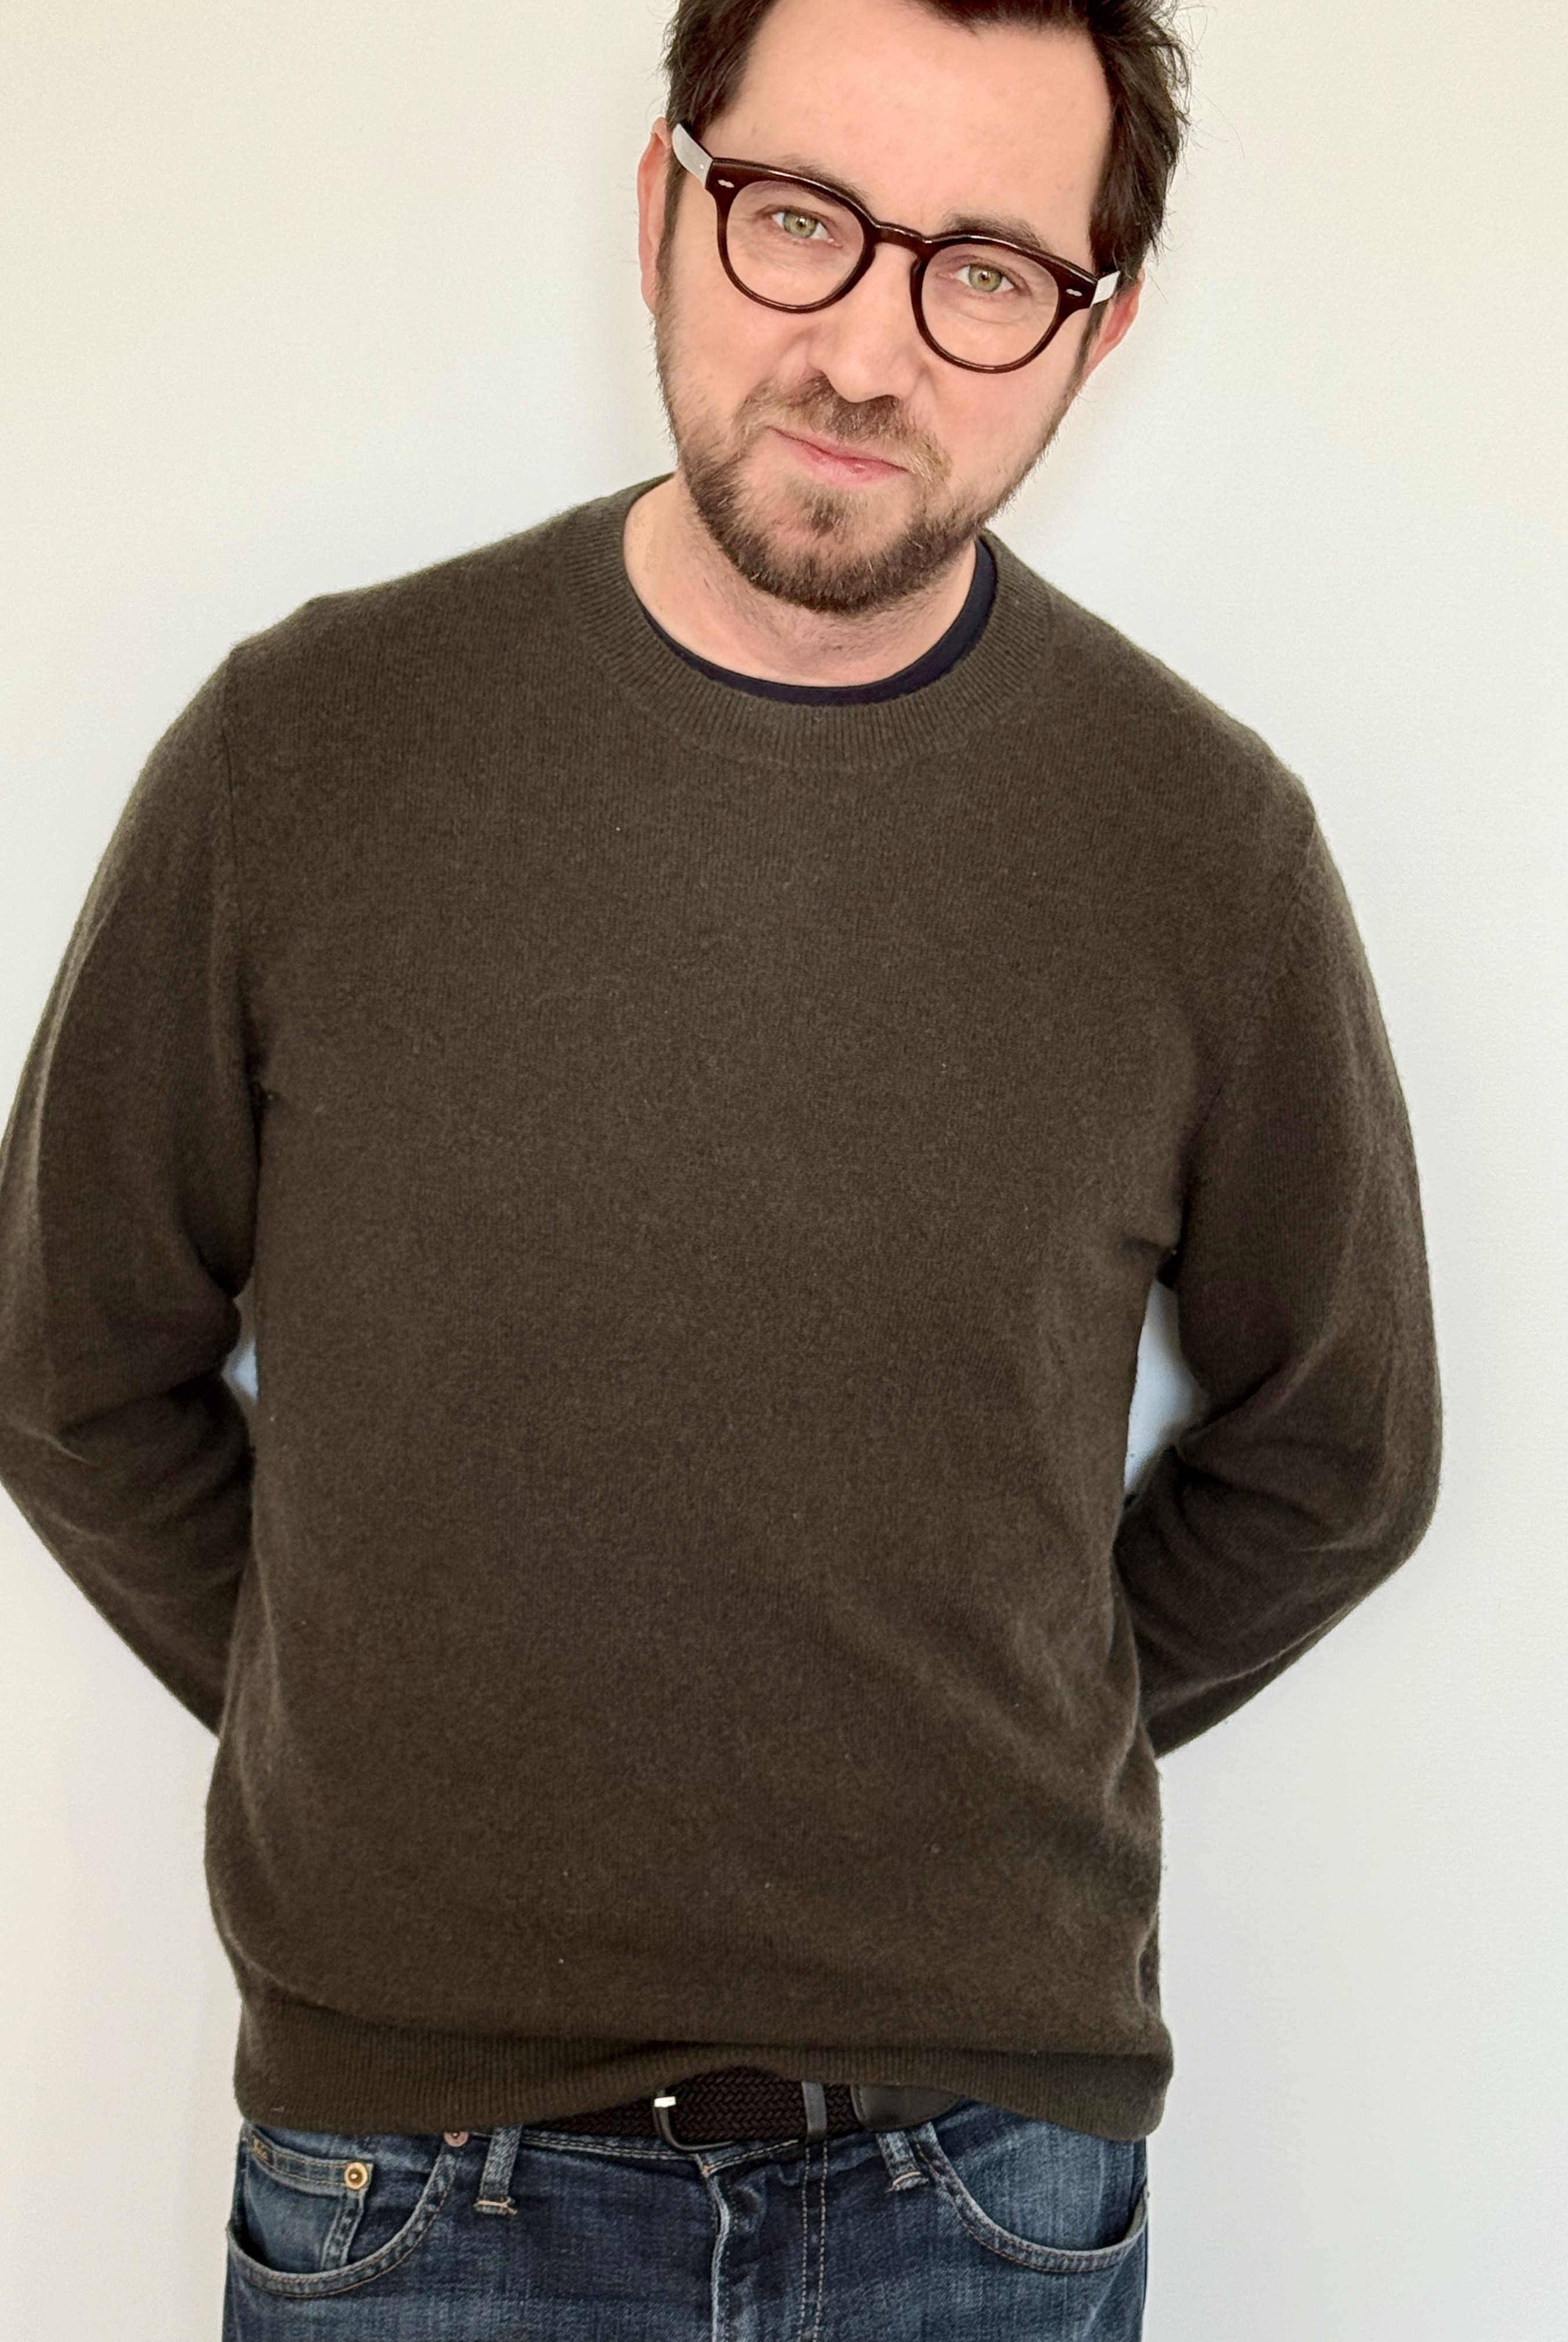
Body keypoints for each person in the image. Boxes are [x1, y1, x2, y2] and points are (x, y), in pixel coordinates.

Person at [0, 0, 1443, 2333]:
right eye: (799, 220)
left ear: (1098, 332)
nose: (865, 352)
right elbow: (70, 1365)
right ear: (665, 206)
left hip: (983, 2183)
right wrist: (353, 1715)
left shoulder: (1208, 846)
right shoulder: (306, 755)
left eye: (984, 272)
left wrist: (999, 1739)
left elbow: (1341, 1458)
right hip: (412, 2174)